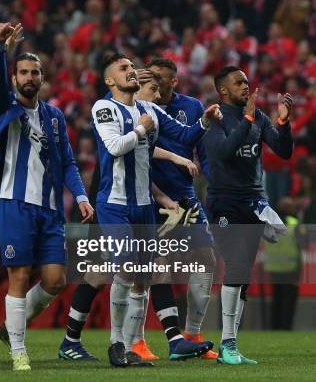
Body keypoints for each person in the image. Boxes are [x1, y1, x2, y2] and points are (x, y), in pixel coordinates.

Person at [79, 53, 221, 368]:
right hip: (114, 204)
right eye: (124, 68)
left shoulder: (148, 109)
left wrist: (205, 120)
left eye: (132, 66)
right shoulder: (104, 108)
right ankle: (116, 344)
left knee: (142, 278)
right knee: (126, 269)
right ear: (109, 80)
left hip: (144, 205)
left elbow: (184, 136)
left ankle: (131, 347)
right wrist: (142, 130)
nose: (133, 71)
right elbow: (115, 147)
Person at [0, 23, 94, 372]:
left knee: (56, 281)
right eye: (24, 72)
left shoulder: (55, 117)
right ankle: (18, 351)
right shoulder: (5, 109)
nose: (30, 77)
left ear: (43, 78)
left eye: (35, 72)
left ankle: (9, 327)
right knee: (19, 277)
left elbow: (70, 162)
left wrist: (82, 195)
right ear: (15, 78)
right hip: (15, 204)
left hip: (51, 209)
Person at [126, 58, 217, 361]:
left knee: (206, 258)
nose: (158, 84)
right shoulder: (132, 108)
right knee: (152, 267)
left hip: (184, 196)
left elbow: (196, 145)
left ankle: (191, 334)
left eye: (162, 79)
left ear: (174, 81)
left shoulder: (188, 107)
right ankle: (136, 341)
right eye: (152, 79)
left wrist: (211, 183)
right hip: (148, 197)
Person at [204, 65, 293, 365]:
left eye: (246, 80)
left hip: (254, 202)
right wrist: (248, 119)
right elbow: (225, 152)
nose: (246, 85)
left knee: (243, 277)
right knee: (238, 265)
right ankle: (227, 343)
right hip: (225, 204)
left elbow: (283, 151)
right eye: (238, 82)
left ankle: (231, 346)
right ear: (223, 90)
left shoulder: (260, 117)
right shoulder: (214, 119)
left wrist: (283, 122)